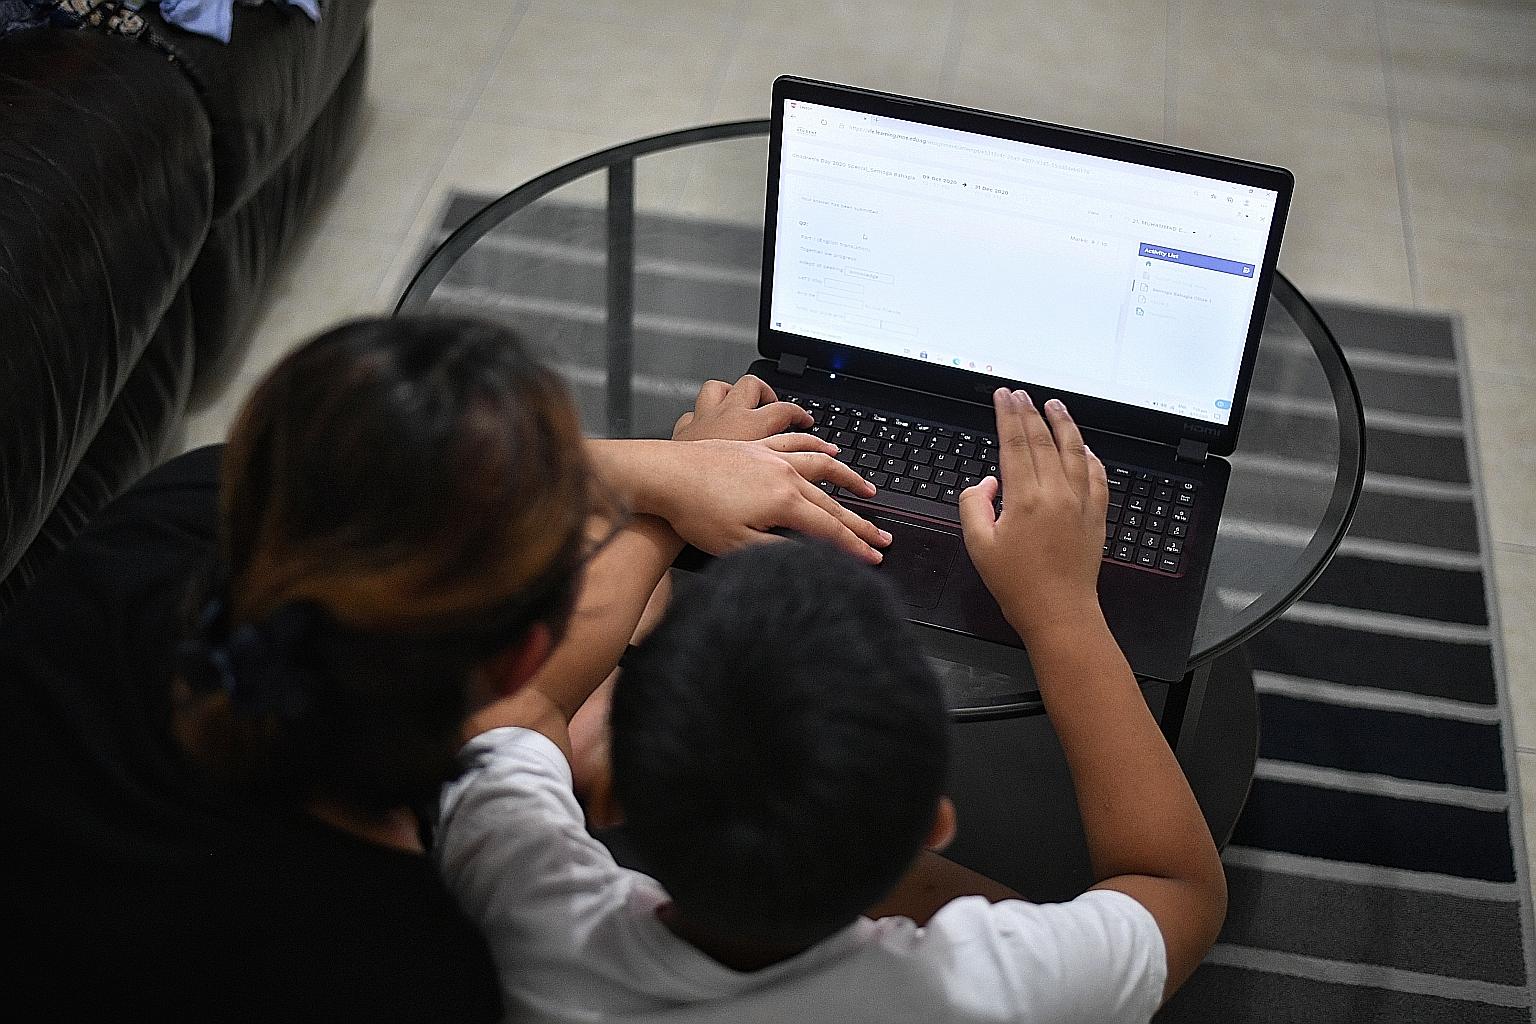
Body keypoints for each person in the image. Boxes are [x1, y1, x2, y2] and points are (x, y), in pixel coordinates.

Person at [0, 314, 892, 1022]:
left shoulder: (174, 519)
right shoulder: (419, 966)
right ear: (520, 661)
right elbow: (537, 721)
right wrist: (664, 496)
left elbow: (352, 474)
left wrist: (671, 470)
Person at [437, 387, 1229, 1023]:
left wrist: (671, 481)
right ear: (933, 825)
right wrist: (1061, 608)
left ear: (605, 792)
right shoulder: (996, 992)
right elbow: (1176, 887)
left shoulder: (523, 906)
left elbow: (534, 699)